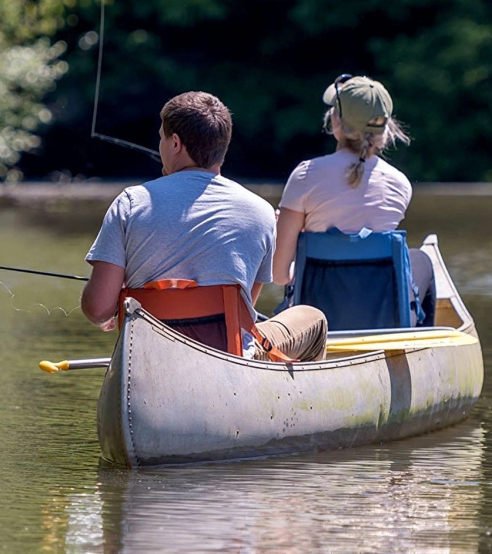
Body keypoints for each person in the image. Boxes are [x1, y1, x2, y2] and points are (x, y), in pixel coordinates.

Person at [81, 91, 327, 362]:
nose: (160, 145)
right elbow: (246, 311)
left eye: (161, 137)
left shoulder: (129, 203)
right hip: (228, 362)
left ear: (175, 143)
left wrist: (118, 298)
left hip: (148, 360)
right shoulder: (261, 212)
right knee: (314, 319)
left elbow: (98, 310)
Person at [271, 74, 434, 321]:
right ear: (386, 128)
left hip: (316, 324)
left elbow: (279, 275)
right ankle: (416, 350)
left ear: (336, 120)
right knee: (423, 260)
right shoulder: (400, 184)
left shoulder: (305, 176)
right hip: (380, 317)